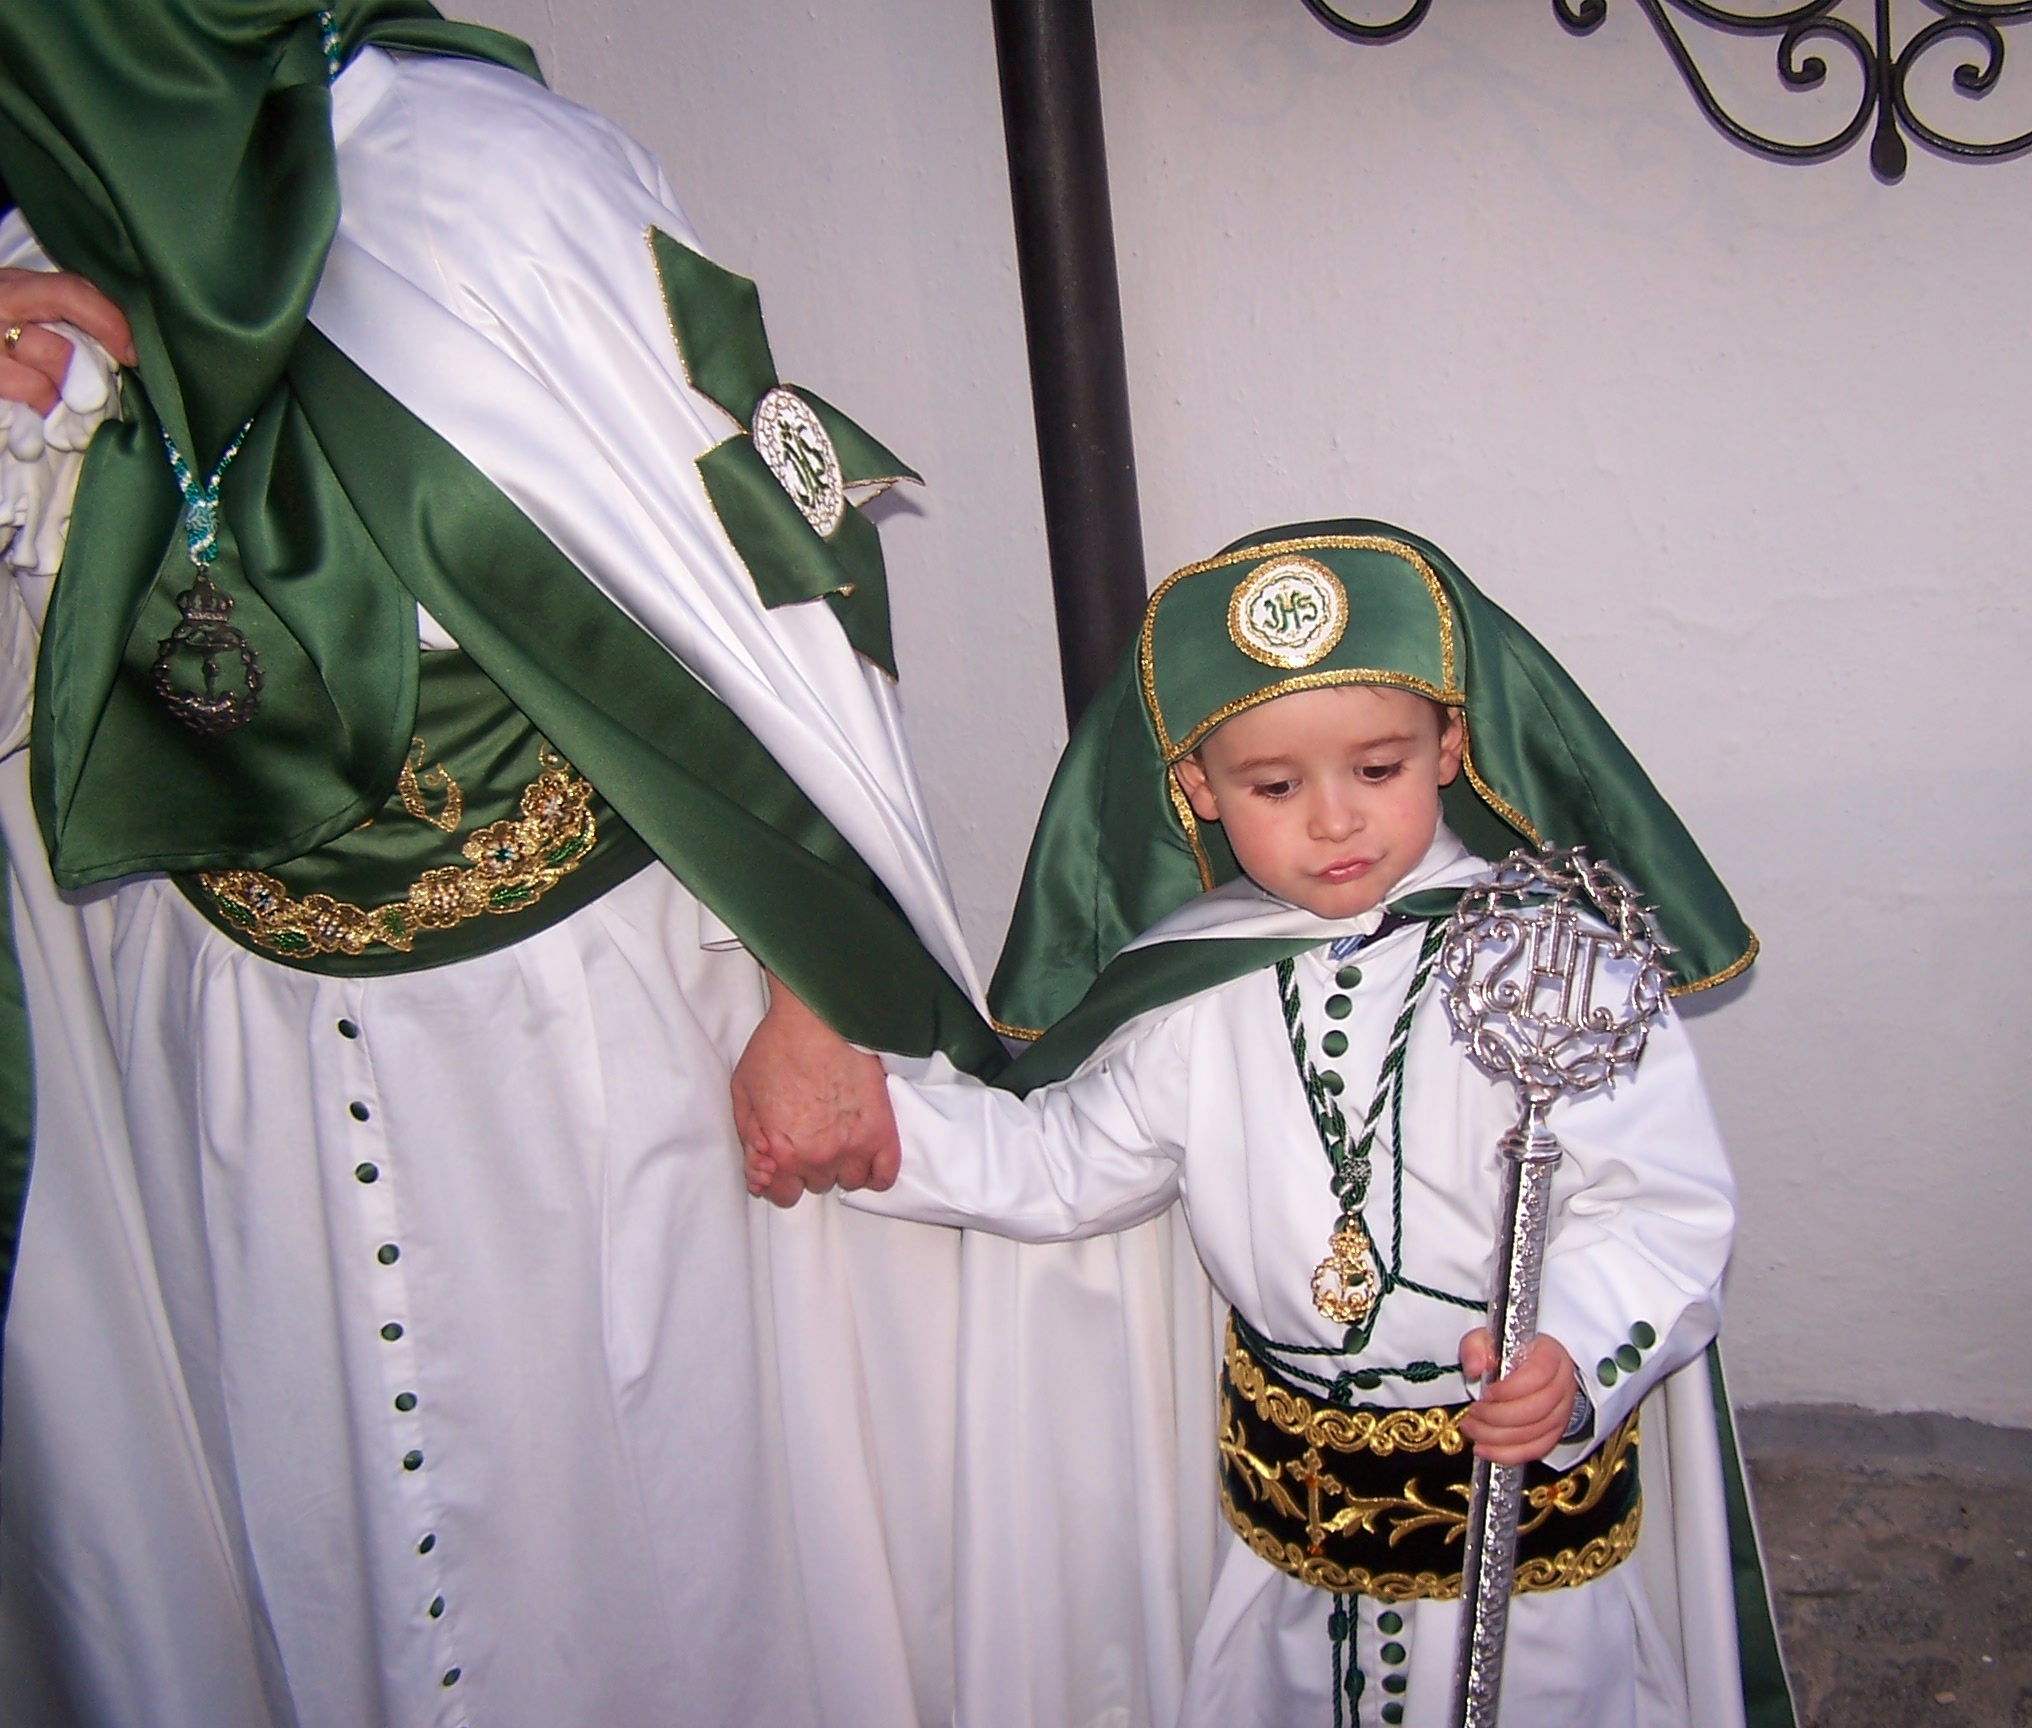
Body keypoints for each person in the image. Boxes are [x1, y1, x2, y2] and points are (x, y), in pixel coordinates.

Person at [0, 8, 1206, 1726]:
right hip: (228, 1039)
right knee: (313, 1495)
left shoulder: (493, 182)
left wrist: (818, 992)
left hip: (595, 1021)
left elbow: (763, 586)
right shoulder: (36, 249)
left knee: (670, 1510)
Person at [747, 524, 1797, 1726]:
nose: (1336, 822)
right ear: (1197, 787)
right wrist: (872, 1132)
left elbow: (1660, 1211)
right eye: (1276, 786)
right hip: (1290, 1550)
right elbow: (1063, 1167)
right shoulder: (1194, 992)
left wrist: (1574, 1356)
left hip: (1522, 1546)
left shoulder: (1562, 971)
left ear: (1450, 744)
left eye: (1379, 768)